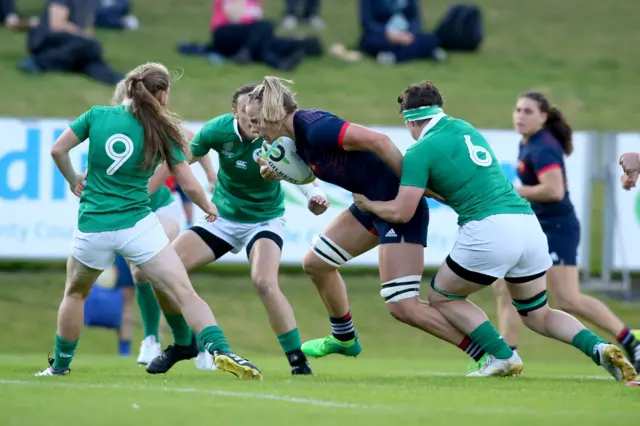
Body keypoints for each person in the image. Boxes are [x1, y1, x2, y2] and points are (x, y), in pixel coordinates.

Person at [353, 80, 637, 381]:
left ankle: (502, 356)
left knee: (442, 297)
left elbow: (401, 211)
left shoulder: (419, 149)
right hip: (528, 225)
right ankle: (599, 348)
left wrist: (370, 205)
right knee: (538, 313)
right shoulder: (465, 129)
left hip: (490, 229)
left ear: (410, 120)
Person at [245, 76, 493, 373]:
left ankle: (486, 354)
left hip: (397, 205)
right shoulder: (292, 140)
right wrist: (278, 171)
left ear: (274, 112)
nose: (254, 129)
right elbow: (310, 171)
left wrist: (412, 186)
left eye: (257, 121)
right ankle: (345, 337)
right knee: (316, 263)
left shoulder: (316, 127)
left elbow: (380, 141)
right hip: (367, 205)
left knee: (403, 305)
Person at [36, 62, 262, 381]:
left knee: (74, 295)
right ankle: (220, 349)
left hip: (94, 226)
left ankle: (59, 366)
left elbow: (58, 150)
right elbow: (188, 182)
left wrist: (74, 179)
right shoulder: (165, 130)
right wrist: (207, 205)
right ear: (164, 94)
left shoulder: (97, 115)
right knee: (185, 293)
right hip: (138, 226)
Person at [144, 83, 330, 376]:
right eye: (250, 117)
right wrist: (142, 196)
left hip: (264, 219)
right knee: (162, 271)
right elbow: (177, 163)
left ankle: (298, 361)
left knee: (264, 283)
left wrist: (314, 197)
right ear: (237, 112)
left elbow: (301, 172)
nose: (257, 124)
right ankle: (183, 343)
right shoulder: (217, 130)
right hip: (222, 218)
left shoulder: (275, 133)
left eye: (261, 117)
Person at [492, 92, 640, 371]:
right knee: (503, 284)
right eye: (518, 110)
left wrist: (512, 191)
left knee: (568, 299)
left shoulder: (543, 147)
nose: (520, 116)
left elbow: (554, 190)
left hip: (557, 228)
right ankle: (507, 354)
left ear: (543, 117)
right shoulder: (529, 143)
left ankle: (631, 341)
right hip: (537, 227)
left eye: (528, 111)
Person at [109, 78, 217, 365]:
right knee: (142, 275)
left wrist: (210, 176)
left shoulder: (160, 127)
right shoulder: (112, 133)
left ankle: (202, 344)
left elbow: (196, 140)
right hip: (133, 214)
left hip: (163, 210)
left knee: (169, 274)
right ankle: (154, 339)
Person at [21, 0, 122, 84]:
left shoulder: (90, 3)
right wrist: (82, 36)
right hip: (46, 40)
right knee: (91, 46)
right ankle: (39, 62)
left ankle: (113, 79)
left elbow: (88, 30)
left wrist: (84, 39)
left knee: (89, 54)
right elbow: (57, 25)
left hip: (73, 42)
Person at [358, 0, 444, 65]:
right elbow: (368, 23)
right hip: (384, 35)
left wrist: (409, 34)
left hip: (406, 33)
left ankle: (395, 55)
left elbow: (416, 20)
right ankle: (426, 52)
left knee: (432, 39)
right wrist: (389, 34)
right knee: (368, 42)